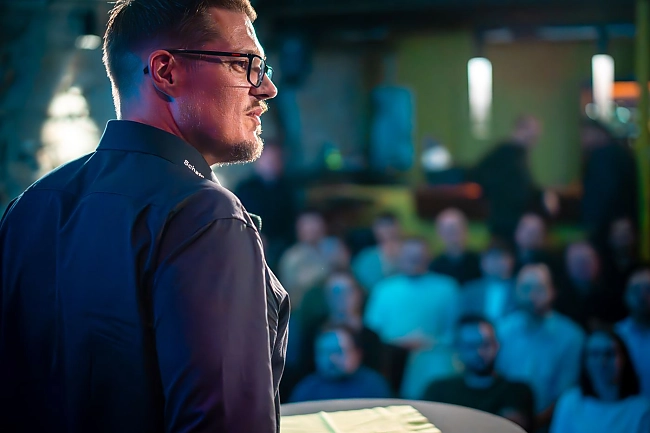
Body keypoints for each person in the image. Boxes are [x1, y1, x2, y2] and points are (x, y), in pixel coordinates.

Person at [0, 1, 290, 432]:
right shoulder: (205, 215)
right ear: (166, 71)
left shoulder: (31, 204)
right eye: (243, 64)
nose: (266, 88)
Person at [364, 237, 460, 399]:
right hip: (391, 361)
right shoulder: (384, 289)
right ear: (400, 257)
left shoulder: (447, 288)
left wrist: (427, 342)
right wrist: (398, 343)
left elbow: (454, 332)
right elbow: (372, 333)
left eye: (418, 257)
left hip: (433, 361)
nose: (414, 261)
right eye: (409, 256)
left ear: (428, 258)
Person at [497, 264, 584, 431]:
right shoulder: (502, 331)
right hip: (503, 424)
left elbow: (566, 395)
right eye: (525, 288)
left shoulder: (571, 336)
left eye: (539, 288)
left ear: (553, 291)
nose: (531, 295)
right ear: (515, 290)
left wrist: (533, 424)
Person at [422, 315, 534, 432]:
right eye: (471, 346)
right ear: (458, 349)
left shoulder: (517, 392)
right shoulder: (438, 391)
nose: (479, 352)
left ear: (496, 345)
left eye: (486, 344)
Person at [470, 115, 557, 244]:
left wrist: (544, 194)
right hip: (505, 223)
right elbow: (477, 175)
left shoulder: (519, 155)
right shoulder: (504, 153)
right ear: (520, 130)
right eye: (532, 136)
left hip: (513, 222)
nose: (534, 141)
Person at [550, 329, 650, 433]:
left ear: (623, 359)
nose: (602, 361)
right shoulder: (570, 402)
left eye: (609, 354)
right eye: (595, 354)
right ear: (584, 361)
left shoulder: (641, 410)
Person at [289, 325, 392, 403]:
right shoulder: (306, 389)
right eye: (324, 352)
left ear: (357, 354)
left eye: (338, 351)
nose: (331, 359)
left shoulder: (374, 386)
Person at [235, 143, 298, 270]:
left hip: (283, 246)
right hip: (252, 241)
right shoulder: (244, 189)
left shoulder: (288, 189)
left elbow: (293, 222)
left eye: (276, 160)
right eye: (269, 160)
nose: (272, 164)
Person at [580, 119, 638, 251]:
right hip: (622, 221)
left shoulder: (603, 156)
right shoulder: (620, 153)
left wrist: (597, 222)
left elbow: (606, 191)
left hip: (609, 225)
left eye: (585, 134)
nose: (583, 139)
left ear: (600, 133)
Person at [460, 240, 518, 322]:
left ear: (511, 261)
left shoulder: (520, 289)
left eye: (500, 257)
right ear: (482, 263)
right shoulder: (469, 290)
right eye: (491, 257)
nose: (495, 262)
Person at [615, 266, 650, 399]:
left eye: (648, 289)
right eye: (636, 290)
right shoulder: (616, 335)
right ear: (625, 295)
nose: (642, 296)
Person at [429, 208, 482, 285]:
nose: (452, 235)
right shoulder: (434, 267)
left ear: (466, 230)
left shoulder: (480, 262)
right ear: (439, 234)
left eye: (455, 229)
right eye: (448, 231)